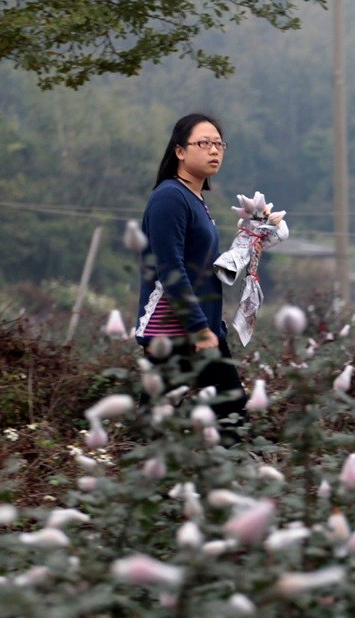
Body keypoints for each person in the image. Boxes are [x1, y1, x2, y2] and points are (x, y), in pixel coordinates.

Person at [133, 113, 247, 430]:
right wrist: (199, 327)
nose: (214, 150)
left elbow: (200, 269)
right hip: (174, 331)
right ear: (180, 151)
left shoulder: (195, 199)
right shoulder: (170, 197)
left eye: (219, 144)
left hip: (200, 331)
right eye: (204, 143)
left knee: (228, 415)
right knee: (228, 415)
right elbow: (170, 269)